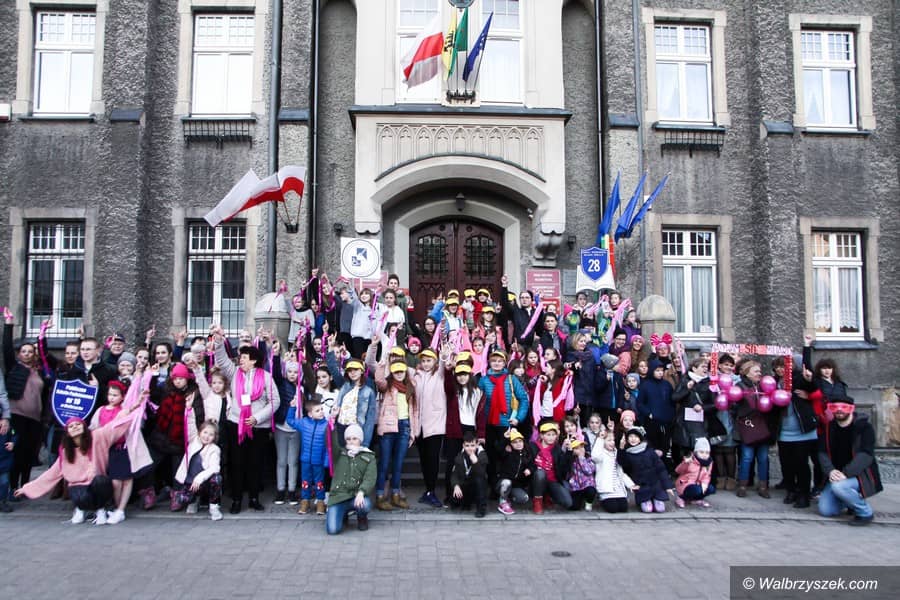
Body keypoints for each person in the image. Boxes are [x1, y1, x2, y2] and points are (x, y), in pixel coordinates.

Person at [15, 399, 143, 525]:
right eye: (71, 426)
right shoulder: (66, 452)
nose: (75, 427)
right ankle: (81, 509)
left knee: (101, 481)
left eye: (78, 424)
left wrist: (133, 408)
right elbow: (51, 475)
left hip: (97, 484)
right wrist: (26, 489)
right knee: (79, 494)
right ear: (68, 433)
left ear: (84, 427)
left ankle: (100, 510)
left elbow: (114, 426)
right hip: (79, 487)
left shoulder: (97, 437)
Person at [213, 325, 280, 514]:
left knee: (255, 463)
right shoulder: (235, 373)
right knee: (237, 463)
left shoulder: (266, 377)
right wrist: (219, 341)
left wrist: (257, 418)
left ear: (253, 360)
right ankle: (236, 499)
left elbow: (275, 401)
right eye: (240, 357)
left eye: (244, 357)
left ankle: (254, 498)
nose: (240, 360)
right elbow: (222, 360)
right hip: (237, 424)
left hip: (258, 427)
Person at [89, 380, 152, 524]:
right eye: (110, 394)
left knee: (127, 480)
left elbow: (130, 411)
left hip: (123, 448)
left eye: (115, 395)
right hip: (107, 449)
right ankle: (117, 507)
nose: (112, 398)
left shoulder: (123, 410)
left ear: (122, 397)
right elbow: (94, 427)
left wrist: (139, 400)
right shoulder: (101, 410)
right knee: (115, 482)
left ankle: (121, 509)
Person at [817, 396, 882, 526]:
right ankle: (850, 502)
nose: (839, 410)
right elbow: (822, 452)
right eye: (835, 407)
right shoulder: (829, 428)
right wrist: (830, 471)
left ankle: (865, 513)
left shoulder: (864, 427)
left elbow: (866, 454)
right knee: (826, 510)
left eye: (844, 407)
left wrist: (846, 473)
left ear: (851, 409)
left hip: (860, 475)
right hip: (836, 475)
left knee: (839, 487)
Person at [372, 356, 418, 511]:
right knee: (384, 463)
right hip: (388, 428)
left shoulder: (410, 386)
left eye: (401, 371)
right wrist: (382, 366)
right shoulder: (388, 385)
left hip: (404, 426)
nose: (399, 374)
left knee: (398, 464)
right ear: (391, 372)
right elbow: (379, 381)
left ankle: (395, 494)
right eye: (396, 371)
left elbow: (414, 411)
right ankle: (380, 496)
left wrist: (413, 431)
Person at [479, 349, 529, 489]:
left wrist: (518, 418)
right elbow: (478, 402)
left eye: (500, 361)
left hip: (506, 424)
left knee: (506, 455)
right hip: (489, 424)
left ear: (504, 363)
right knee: (490, 457)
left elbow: (523, 399)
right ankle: (493, 486)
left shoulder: (511, 379)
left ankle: (506, 486)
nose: (497, 363)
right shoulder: (484, 380)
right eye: (494, 361)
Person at [170, 407, 223, 521]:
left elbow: (214, 468)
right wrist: (189, 408)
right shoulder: (194, 440)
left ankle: (214, 507)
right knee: (179, 499)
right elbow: (190, 423)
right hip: (190, 483)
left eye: (211, 434)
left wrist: (199, 478)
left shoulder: (214, 449)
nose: (207, 436)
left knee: (217, 478)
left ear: (215, 437)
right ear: (199, 432)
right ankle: (194, 500)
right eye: (205, 432)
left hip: (203, 483)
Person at [443, 362, 486, 502]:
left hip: (471, 429)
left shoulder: (478, 392)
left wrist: (481, 434)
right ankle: (450, 494)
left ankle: (470, 495)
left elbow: (480, 415)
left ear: (470, 375)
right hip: (455, 429)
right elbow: (447, 385)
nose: (462, 377)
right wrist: (448, 371)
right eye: (459, 375)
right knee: (452, 462)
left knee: (471, 461)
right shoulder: (454, 391)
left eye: (464, 374)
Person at [734, 361, 775, 499]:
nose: (759, 373)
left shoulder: (764, 385)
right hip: (749, 426)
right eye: (756, 371)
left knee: (763, 458)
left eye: (760, 371)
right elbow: (735, 406)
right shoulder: (740, 386)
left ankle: (763, 486)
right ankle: (742, 485)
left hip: (763, 426)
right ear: (747, 373)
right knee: (747, 457)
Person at [325, 424, 376, 534]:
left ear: (360, 440)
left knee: (365, 504)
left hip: (355, 496)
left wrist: (362, 492)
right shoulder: (339, 454)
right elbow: (331, 442)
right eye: (348, 439)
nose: (351, 441)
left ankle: (361, 517)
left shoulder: (369, 457)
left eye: (354, 438)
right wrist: (332, 425)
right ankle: (342, 514)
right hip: (339, 497)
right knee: (333, 530)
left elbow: (370, 478)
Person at [413, 347, 447, 508]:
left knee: (433, 460)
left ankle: (431, 491)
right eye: (424, 360)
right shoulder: (416, 375)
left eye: (429, 360)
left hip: (435, 425)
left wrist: (444, 355)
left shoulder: (439, 375)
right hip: (419, 426)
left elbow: (443, 364)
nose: (426, 363)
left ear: (434, 361)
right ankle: (428, 491)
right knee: (424, 460)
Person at [285, 399, 329, 516]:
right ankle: (305, 501)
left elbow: (328, 446)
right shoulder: (304, 423)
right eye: (317, 410)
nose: (321, 412)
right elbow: (290, 421)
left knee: (319, 482)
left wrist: (326, 461)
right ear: (310, 414)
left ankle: (320, 502)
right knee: (305, 482)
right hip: (305, 460)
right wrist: (292, 407)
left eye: (322, 409)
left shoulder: (326, 425)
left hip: (319, 461)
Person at [618, 426, 675, 513]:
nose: (633, 439)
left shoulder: (649, 451)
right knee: (647, 509)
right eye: (631, 437)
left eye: (636, 437)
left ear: (640, 439)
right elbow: (622, 463)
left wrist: (667, 486)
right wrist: (621, 449)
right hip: (641, 485)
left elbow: (661, 469)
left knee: (660, 509)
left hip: (655, 484)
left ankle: (656, 499)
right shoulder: (628, 453)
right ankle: (646, 500)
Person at [529, 421, 573, 513]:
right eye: (548, 435)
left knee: (568, 502)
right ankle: (538, 501)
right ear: (541, 435)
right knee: (540, 473)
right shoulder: (532, 446)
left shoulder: (557, 449)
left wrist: (568, 452)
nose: (551, 437)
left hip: (552, 481)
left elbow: (563, 469)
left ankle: (547, 495)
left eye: (553, 435)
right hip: (536, 480)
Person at [591, 434, 637, 513]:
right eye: (609, 440)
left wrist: (630, 485)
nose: (612, 442)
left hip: (618, 488)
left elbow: (621, 473)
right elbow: (595, 457)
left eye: (613, 440)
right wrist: (600, 439)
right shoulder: (600, 453)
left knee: (623, 508)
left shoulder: (616, 453)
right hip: (606, 489)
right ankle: (602, 500)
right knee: (613, 508)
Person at [448, 431, 489, 518]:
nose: (470, 448)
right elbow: (454, 474)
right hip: (466, 485)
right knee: (455, 501)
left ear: (477, 445)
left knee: (480, 480)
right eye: (467, 446)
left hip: (477, 486)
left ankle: (481, 509)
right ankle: (466, 502)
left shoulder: (482, 455)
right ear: (463, 445)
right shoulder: (460, 456)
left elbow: (482, 474)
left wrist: (476, 462)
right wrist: (456, 485)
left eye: (472, 445)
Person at [496, 428, 533, 515]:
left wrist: (530, 469)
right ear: (510, 444)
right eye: (515, 442)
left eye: (520, 441)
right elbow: (498, 450)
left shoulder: (526, 453)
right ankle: (502, 502)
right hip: (503, 482)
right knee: (507, 482)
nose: (518, 444)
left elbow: (532, 465)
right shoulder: (507, 452)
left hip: (516, 485)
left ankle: (508, 498)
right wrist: (505, 439)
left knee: (524, 498)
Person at [674, 438, 715, 508]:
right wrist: (685, 463)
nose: (704, 455)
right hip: (685, 484)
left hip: (698, 484)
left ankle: (696, 499)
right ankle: (681, 498)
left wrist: (704, 484)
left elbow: (707, 476)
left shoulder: (709, 463)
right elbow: (678, 470)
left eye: (707, 453)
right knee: (697, 490)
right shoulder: (690, 459)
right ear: (696, 452)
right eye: (701, 452)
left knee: (711, 488)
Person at [567, 439, 597, 511]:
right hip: (576, 487)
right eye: (577, 448)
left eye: (582, 447)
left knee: (591, 491)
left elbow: (588, 471)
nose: (581, 450)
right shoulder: (572, 460)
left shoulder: (588, 459)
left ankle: (589, 502)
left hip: (587, 484)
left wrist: (581, 458)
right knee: (574, 507)